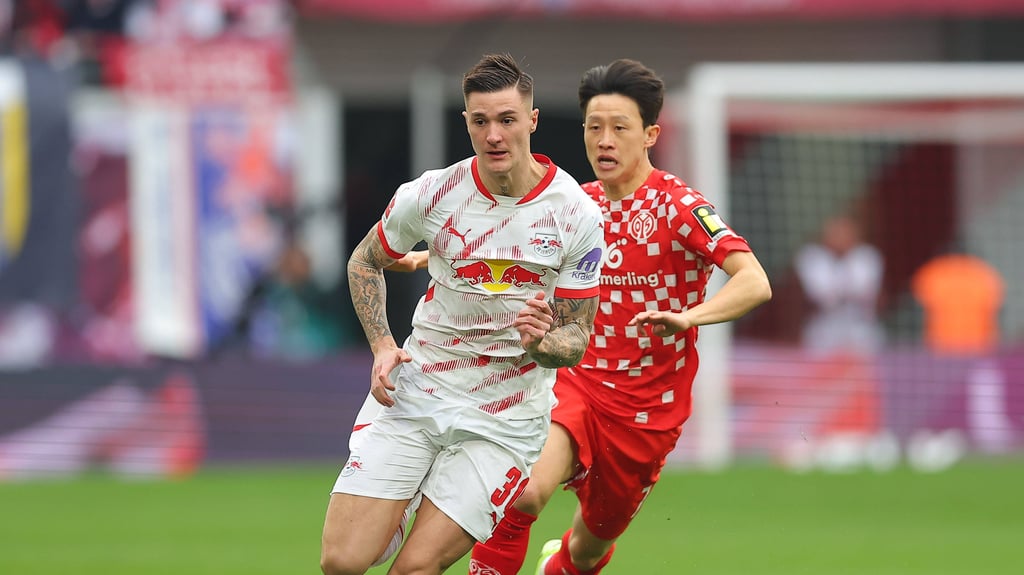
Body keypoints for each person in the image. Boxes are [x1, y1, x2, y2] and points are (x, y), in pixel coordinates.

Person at [467, 58, 772, 575]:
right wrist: (433, 256)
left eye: (619, 128)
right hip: (576, 382)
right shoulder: (575, 204)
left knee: (587, 550)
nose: (604, 141)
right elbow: (509, 244)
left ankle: (558, 565)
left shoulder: (680, 206)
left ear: (650, 134)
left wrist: (691, 317)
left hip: (647, 410)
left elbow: (754, 281)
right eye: (594, 127)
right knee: (523, 494)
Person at [320, 53, 605, 575]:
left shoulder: (576, 214)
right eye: (480, 121)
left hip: (503, 418)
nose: (494, 135)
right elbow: (366, 260)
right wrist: (383, 345)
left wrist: (544, 344)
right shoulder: (431, 193)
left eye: (507, 120)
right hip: (419, 388)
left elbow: (576, 337)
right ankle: (402, 501)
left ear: (532, 121)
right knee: (342, 562)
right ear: (467, 123)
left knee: (413, 570)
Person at [793, 213, 884, 356]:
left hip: (860, 328)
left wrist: (840, 290)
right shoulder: (812, 257)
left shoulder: (867, 256)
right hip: (825, 328)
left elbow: (863, 291)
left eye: (845, 232)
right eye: (836, 233)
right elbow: (822, 295)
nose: (840, 237)